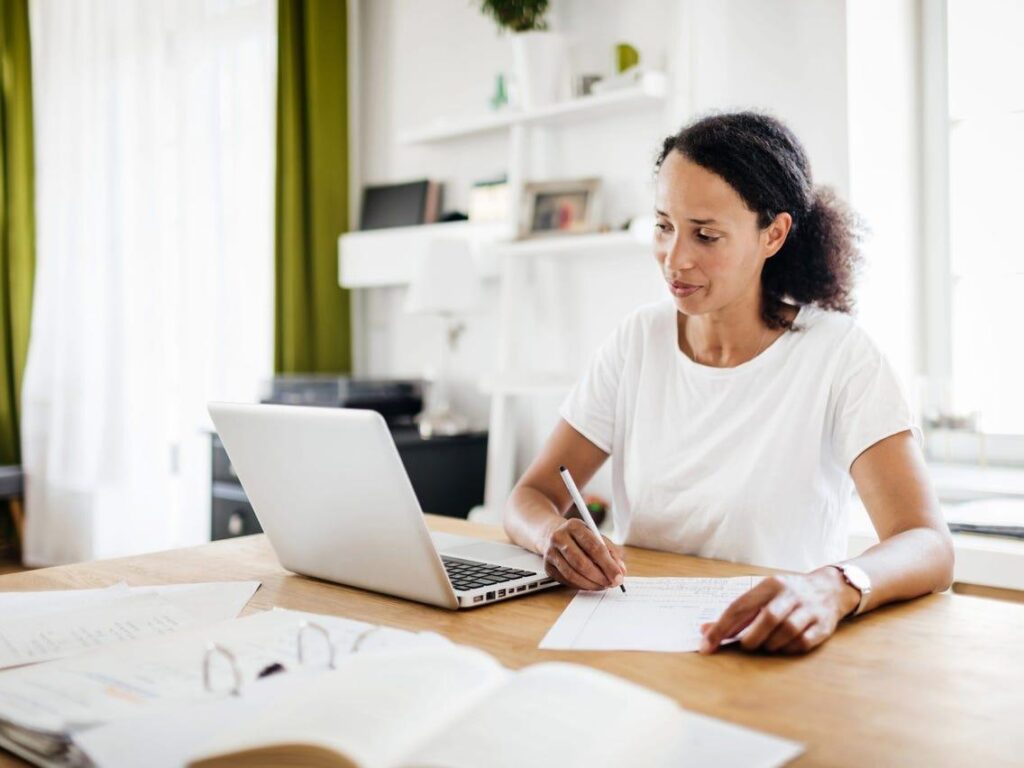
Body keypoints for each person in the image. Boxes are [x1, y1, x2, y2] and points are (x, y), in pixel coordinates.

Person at [503, 111, 954, 655]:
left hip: (772, 646)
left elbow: (928, 544)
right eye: (664, 226)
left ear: (774, 234)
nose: (676, 259)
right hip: (638, 638)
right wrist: (551, 536)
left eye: (706, 235)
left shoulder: (839, 354)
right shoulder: (637, 342)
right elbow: (530, 495)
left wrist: (831, 586)